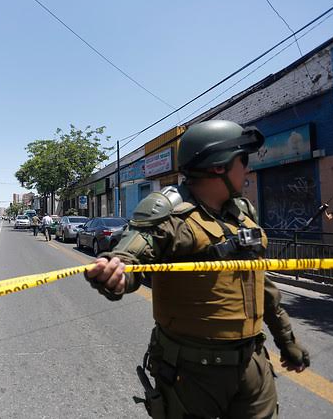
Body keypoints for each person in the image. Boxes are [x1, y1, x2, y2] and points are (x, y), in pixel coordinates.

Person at [85, 120, 310, 418]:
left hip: (253, 364)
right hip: (192, 374)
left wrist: (288, 342)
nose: (248, 169)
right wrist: (115, 274)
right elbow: (131, 257)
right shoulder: (170, 215)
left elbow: (262, 286)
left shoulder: (242, 215)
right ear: (219, 166)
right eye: (243, 160)